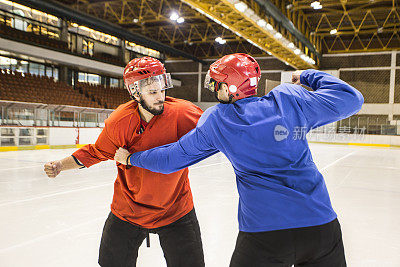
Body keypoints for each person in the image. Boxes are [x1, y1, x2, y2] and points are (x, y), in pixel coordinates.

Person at [114, 53, 364, 266]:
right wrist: (309, 75)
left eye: (217, 84)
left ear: (229, 88)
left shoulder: (220, 120)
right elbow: (352, 99)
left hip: (264, 234)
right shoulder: (290, 99)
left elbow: (172, 158)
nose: (214, 90)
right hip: (320, 226)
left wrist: (132, 158)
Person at [44, 57, 205, 267]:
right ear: (135, 93)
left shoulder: (183, 113)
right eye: (153, 92)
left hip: (175, 209)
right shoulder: (119, 122)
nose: (160, 98)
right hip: (128, 210)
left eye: (162, 90)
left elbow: (215, 131)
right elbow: (95, 152)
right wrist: (60, 165)